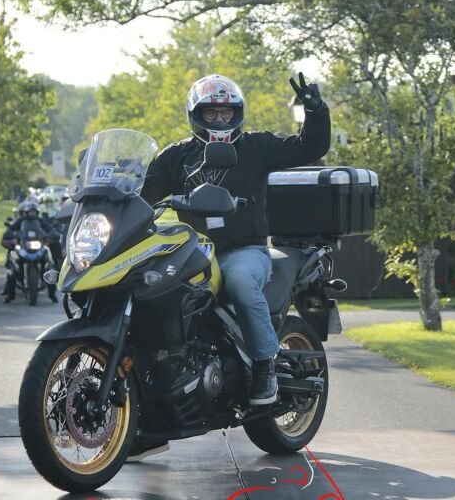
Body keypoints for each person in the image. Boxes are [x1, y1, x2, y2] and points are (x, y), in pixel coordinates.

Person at [127, 72, 330, 461]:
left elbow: (309, 146)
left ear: (237, 114)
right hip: (192, 250)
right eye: (211, 113)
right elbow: (143, 195)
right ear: (196, 114)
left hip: (243, 250)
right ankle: (151, 417)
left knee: (238, 280)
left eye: (226, 112)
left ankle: (265, 367)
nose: (220, 120)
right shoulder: (175, 156)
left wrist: (315, 112)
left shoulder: (257, 147)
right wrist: (109, 196)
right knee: (149, 296)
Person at [0, 200, 59, 303]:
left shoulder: (40, 221)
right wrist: (10, 236)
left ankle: (52, 294)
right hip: (24, 246)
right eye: (31, 211)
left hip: (38, 245)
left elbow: (49, 229)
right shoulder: (20, 220)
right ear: (26, 212)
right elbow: (11, 229)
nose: (32, 213)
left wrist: (51, 235)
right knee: (12, 271)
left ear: (37, 212)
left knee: (50, 268)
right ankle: (10, 295)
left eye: (34, 211)